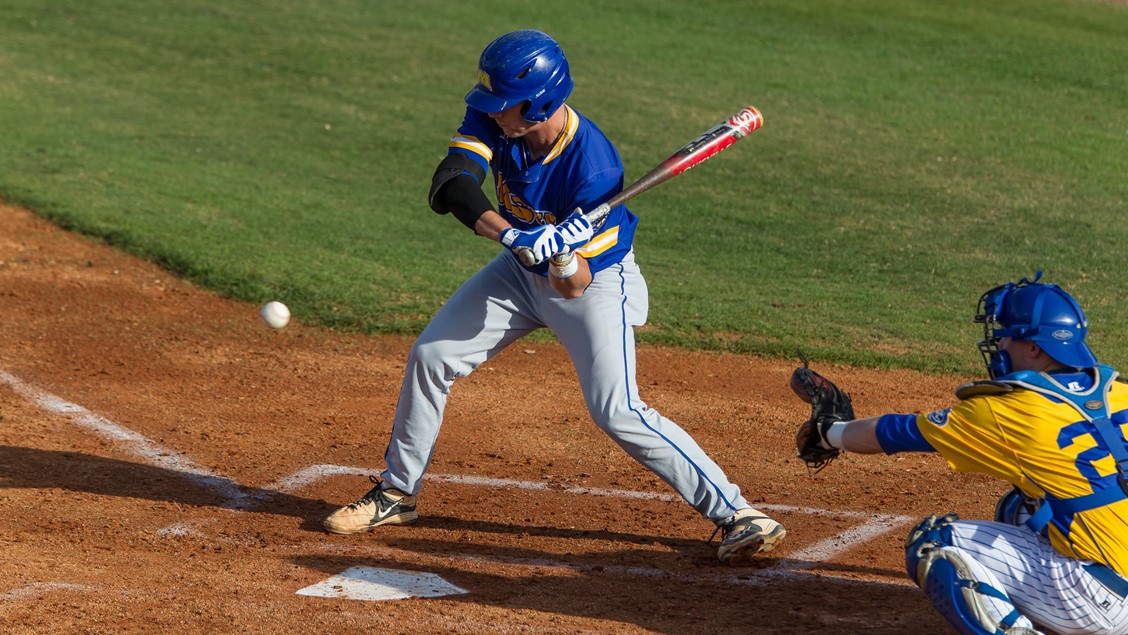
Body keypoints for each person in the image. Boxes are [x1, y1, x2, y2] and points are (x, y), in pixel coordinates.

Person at [322, 29, 785, 564]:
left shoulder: (595, 168)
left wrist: (563, 256)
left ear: (539, 101)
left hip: (594, 283)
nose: (492, 113)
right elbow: (452, 183)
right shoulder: (496, 121)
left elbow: (574, 285)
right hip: (518, 271)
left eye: (504, 105)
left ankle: (738, 512)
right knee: (432, 356)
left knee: (617, 409)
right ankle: (397, 493)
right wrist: (515, 238)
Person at [797, 273, 1128, 635]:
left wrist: (830, 432)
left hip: (1102, 604)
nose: (999, 341)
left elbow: (892, 433)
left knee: (936, 543)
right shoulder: (1120, 391)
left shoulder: (1008, 411)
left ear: (1035, 347)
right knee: (1019, 508)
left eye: (1006, 332)